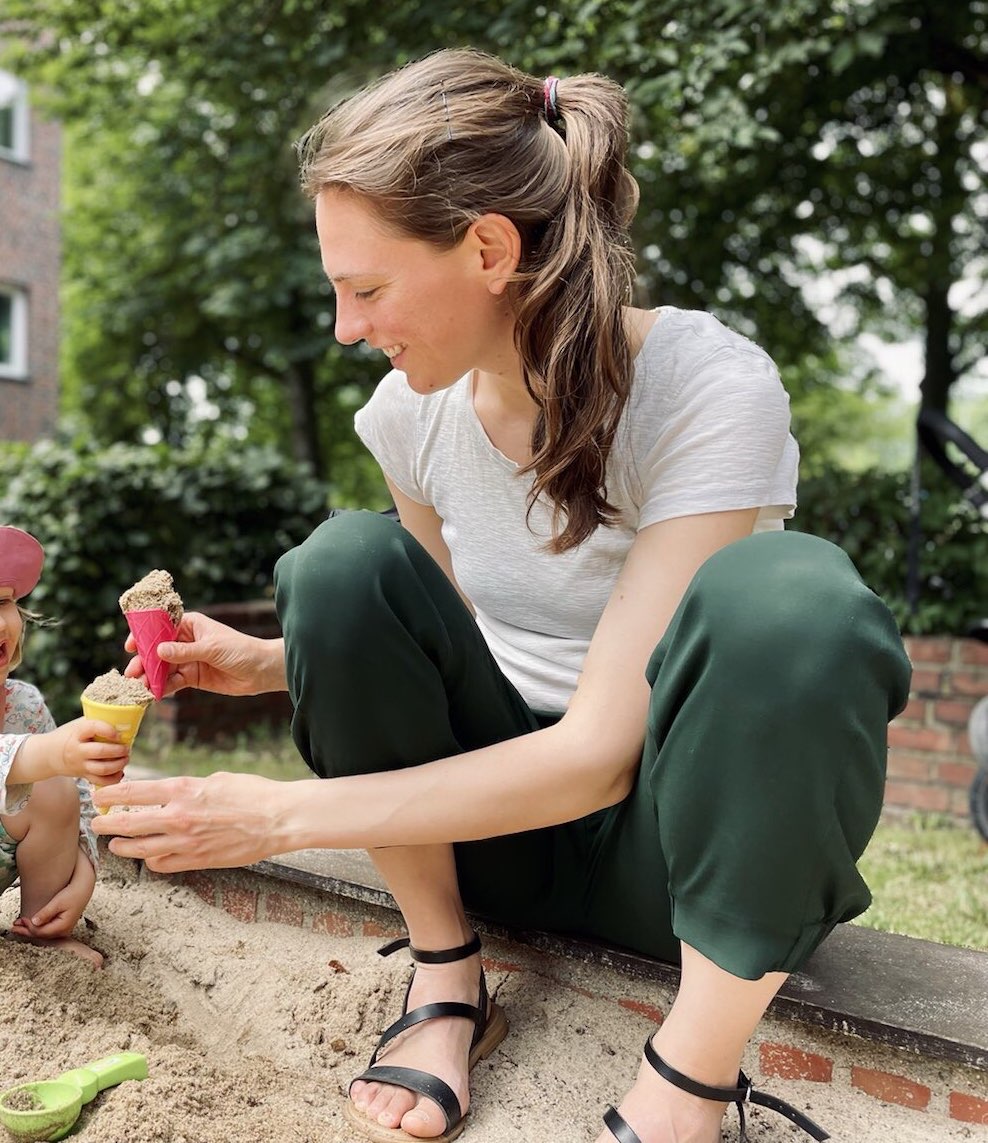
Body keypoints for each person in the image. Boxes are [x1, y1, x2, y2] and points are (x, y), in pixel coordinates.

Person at [93, 48, 912, 1143]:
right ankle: (444, 981)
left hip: (680, 863)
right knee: (341, 563)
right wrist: (270, 661)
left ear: (488, 248)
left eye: (367, 288)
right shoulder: (406, 417)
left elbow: (598, 753)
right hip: (488, 846)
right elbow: (445, 635)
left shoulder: (708, 387)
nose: (345, 327)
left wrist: (277, 815)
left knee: (793, 596)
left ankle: (690, 1081)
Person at [1, 526, 132, 968]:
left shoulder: (24, 704)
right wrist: (53, 752)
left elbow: (77, 803)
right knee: (46, 769)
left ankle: (40, 926)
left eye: (4, 603)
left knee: (55, 790)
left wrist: (85, 876)